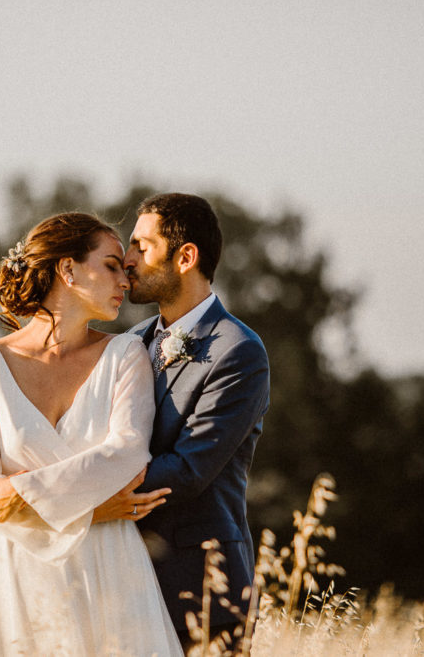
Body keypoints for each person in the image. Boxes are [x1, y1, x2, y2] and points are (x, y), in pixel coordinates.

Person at [0, 212, 184, 656]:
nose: (127, 279)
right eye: (112, 265)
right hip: (15, 566)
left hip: (106, 562)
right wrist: (91, 511)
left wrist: (16, 495)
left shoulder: (125, 354)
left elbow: (127, 454)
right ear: (68, 269)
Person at [96, 193, 270, 650]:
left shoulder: (238, 351)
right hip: (125, 579)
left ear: (185, 257)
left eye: (141, 246)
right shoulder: (133, 341)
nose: (126, 260)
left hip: (202, 584)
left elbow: (190, 470)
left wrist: (84, 490)